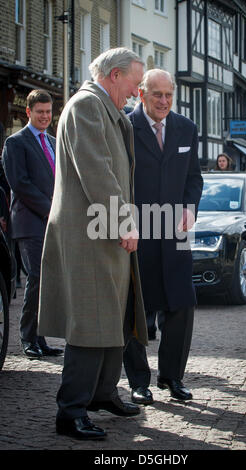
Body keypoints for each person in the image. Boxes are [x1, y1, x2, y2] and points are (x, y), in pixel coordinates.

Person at [37, 47, 148, 441]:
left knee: (112, 317)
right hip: (90, 234)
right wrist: (124, 222)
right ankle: (70, 412)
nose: (136, 94)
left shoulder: (101, 106)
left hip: (102, 231)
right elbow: (98, 172)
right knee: (90, 322)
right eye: (134, 85)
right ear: (114, 76)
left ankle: (102, 394)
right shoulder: (87, 105)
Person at [123, 69, 203, 406]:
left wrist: (190, 208)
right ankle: (139, 382)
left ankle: (172, 378)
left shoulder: (186, 128)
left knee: (182, 304)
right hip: (137, 230)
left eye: (169, 94)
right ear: (141, 94)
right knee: (134, 307)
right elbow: (117, 177)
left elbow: (194, 179)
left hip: (177, 230)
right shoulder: (125, 126)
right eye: (157, 94)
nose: (164, 101)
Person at [1, 89, 63, 359]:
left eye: (48, 112)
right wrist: (51, 208)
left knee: (48, 281)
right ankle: (27, 338)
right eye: (39, 112)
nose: (45, 117)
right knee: (36, 278)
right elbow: (20, 184)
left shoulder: (53, 140)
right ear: (28, 112)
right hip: (30, 221)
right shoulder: (15, 143)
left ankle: (41, 338)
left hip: (54, 222)